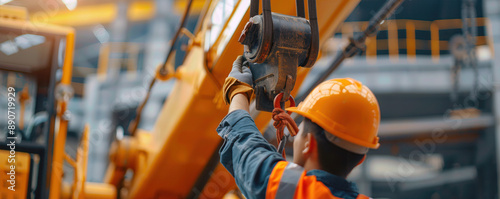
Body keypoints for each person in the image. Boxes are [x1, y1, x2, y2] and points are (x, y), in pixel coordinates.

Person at [217, 56, 380, 199]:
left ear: (309, 143)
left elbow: (245, 146)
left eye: (300, 131)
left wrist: (237, 90)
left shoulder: (289, 188)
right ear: (360, 159)